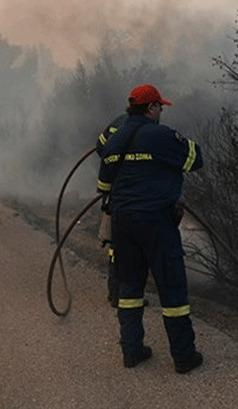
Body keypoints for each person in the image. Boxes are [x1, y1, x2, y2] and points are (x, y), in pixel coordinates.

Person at [96, 85, 204, 374]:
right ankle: (183, 356)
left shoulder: (113, 142)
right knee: (172, 289)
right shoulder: (162, 135)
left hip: (123, 223)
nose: (161, 111)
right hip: (157, 222)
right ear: (151, 108)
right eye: (160, 107)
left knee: (129, 288)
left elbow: (102, 186)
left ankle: (132, 351)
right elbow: (196, 160)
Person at [95, 114, 128, 309]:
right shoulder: (148, 129)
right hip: (133, 194)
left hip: (115, 193)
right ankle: (123, 293)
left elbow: (100, 147)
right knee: (131, 246)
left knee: (116, 244)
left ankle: (114, 292)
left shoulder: (115, 123)